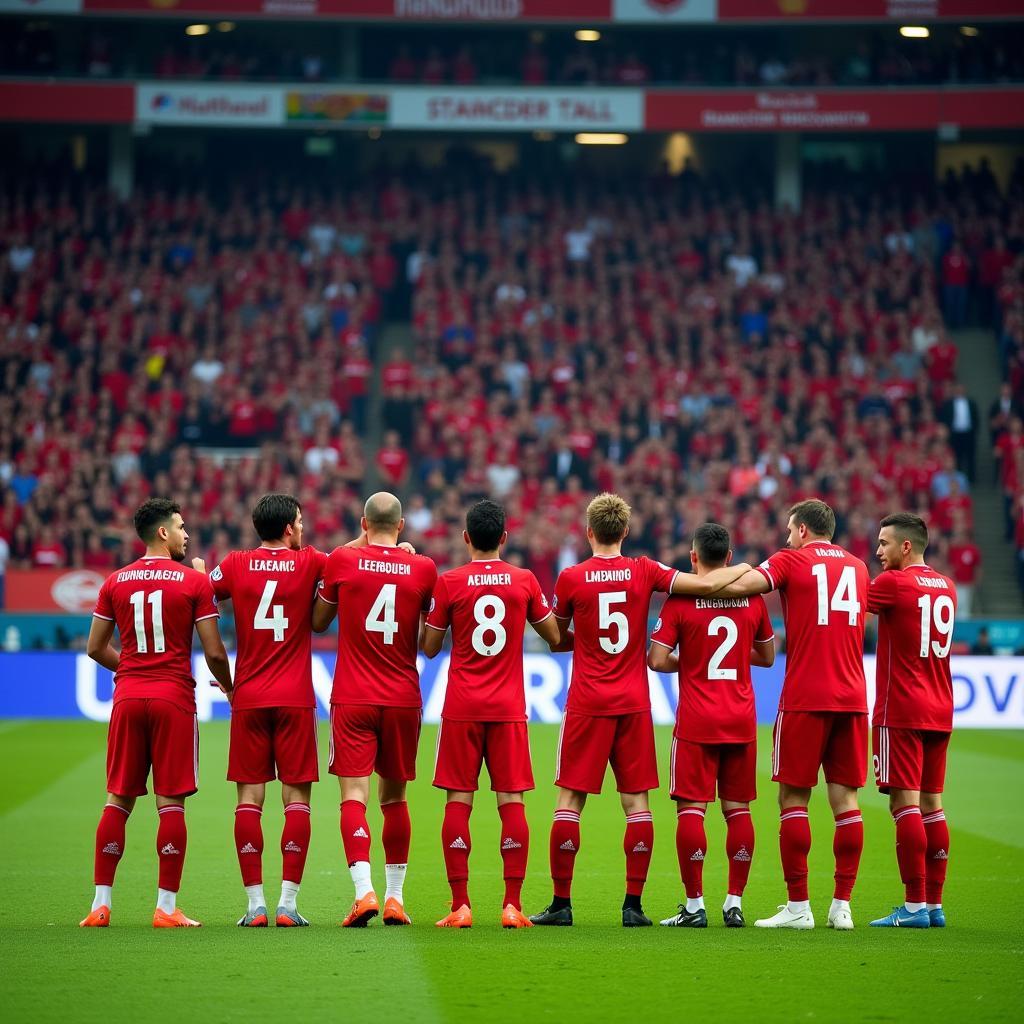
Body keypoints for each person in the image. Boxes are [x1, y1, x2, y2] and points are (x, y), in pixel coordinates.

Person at [529, 493, 751, 928]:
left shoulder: (571, 577)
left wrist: (584, 640)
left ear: (590, 532)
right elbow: (705, 585)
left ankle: (561, 904)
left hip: (588, 702)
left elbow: (555, 637)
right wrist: (748, 569)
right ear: (625, 532)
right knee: (637, 805)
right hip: (633, 702)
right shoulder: (644, 570)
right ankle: (633, 906)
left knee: (570, 801)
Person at [716, 498, 869, 930]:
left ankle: (798, 906)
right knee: (846, 802)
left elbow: (745, 587)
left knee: (793, 799)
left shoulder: (791, 560)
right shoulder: (859, 567)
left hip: (805, 695)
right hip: (854, 696)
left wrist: (706, 578)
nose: (786, 537)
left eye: (788, 530)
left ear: (802, 530)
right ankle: (842, 907)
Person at [80, 498, 233, 928]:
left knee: (118, 800)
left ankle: (100, 905)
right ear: (163, 533)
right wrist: (230, 687)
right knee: (171, 805)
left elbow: (94, 648)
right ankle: (166, 908)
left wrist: (130, 667)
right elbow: (215, 651)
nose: (187, 534)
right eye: (182, 527)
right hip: (173, 699)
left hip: (128, 697)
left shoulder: (115, 581)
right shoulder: (192, 582)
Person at [420, 500, 565, 930]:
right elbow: (554, 634)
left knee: (457, 802)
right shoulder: (523, 580)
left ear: (466, 538)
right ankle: (512, 905)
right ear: (504, 537)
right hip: (507, 708)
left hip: (462, 705)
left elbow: (429, 648)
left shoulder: (450, 582)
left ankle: (461, 905)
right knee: (511, 802)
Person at [312, 492, 437, 927]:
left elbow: (318, 620)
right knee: (396, 797)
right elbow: (431, 636)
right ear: (401, 527)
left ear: (363, 523)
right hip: (403, 696)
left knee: (353, 796)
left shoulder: (343, 562)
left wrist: (360, 545)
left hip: (353, 695)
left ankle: (363, 892)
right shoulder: (423, 568)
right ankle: (395, 899)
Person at [648, 523, 775, 929]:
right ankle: (734, 902)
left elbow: (656, 659)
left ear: (693, 559)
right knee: (738, 810)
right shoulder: (754, 600)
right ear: (731, 556)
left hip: (697, 718)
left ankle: (695, 905)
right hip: (740, 716)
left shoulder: (680, 602)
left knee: (692, 809)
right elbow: (768, 656)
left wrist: (693, 662)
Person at [208, 494, 326, 928]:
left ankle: (255, 905)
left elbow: (197, 595)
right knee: (297, 800)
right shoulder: (312, 561)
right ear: (290, 527)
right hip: (295, 697)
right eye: (301, 520)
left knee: (249, 799)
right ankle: (288, 905)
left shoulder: (236, 563)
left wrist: (225, 680)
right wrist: (387, 544)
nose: (303, 527)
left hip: (250, 696)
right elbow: (352, 563)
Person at [867, 513, 956, 929]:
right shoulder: (948, 587)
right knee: (932, 805)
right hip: (940, 707)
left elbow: (843, 603)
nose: (877, 551)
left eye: (883, 543)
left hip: (901, 709)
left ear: (906, 546)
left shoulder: (892, 584)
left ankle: (915, 905)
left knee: (903, 804)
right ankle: (934, 906)